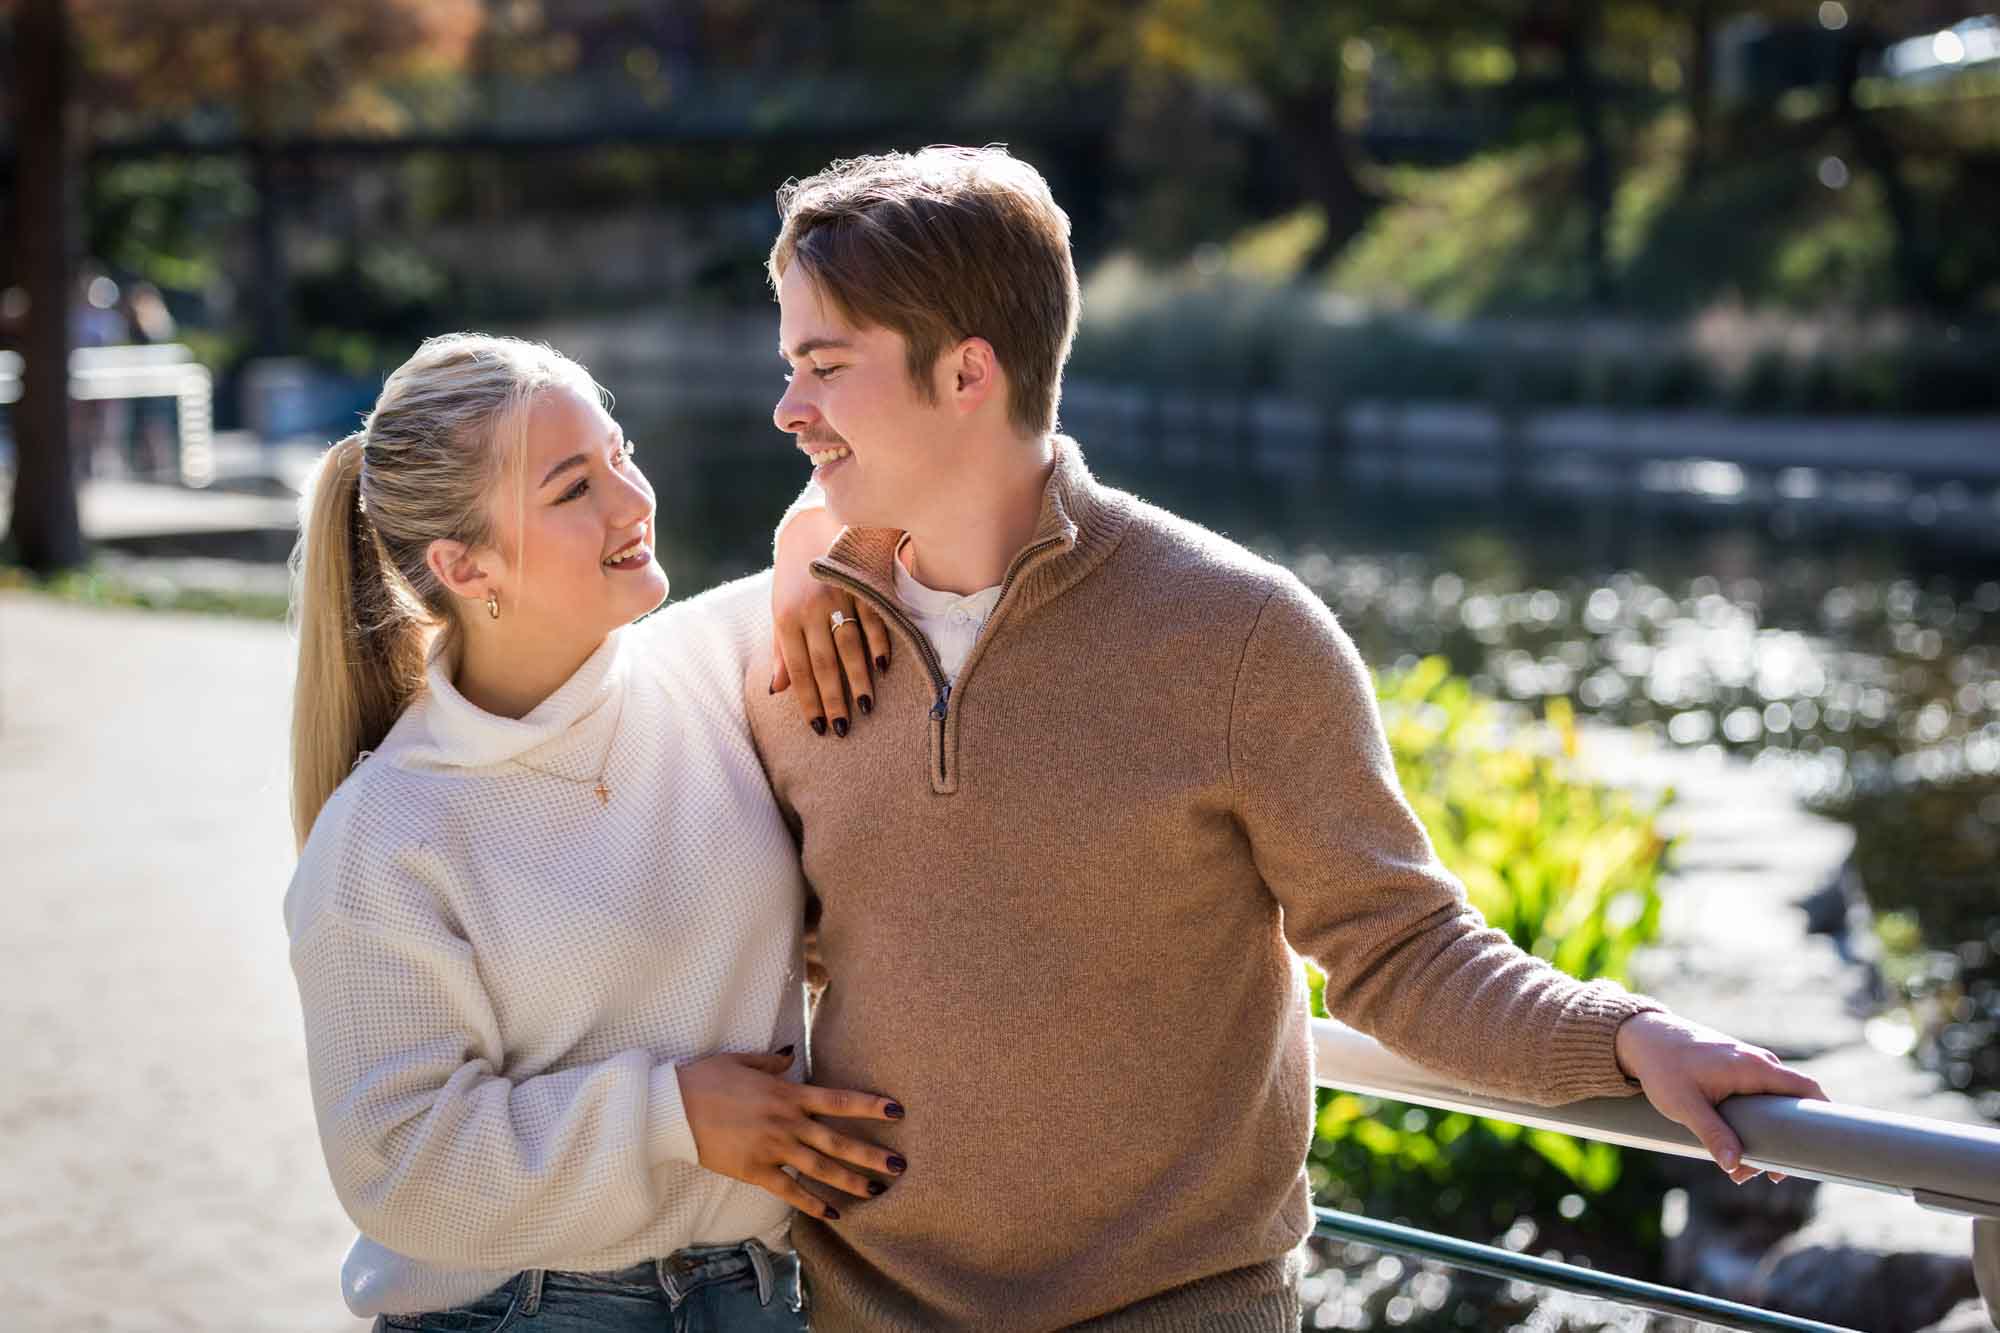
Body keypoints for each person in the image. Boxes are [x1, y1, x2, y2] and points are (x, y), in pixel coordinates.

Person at [751, 147, 1828, 1331]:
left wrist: (1623, 1036)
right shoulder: (794, 643)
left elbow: (1397, 949)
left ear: (965, 373)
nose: (787, 406)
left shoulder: (1237, 635)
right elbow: (760, 949)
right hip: (855, 1308)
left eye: (823, 366)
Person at [282, 333, 904, 1331]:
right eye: (574, 488)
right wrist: (670, 1118)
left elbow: (910, 497)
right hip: (518, 1310)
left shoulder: (718, 663)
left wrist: (803, 542)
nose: (631, 502)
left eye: (622, 455)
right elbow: (398, 1169)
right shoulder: (385, 836)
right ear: (463, 563)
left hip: (765, 1292)